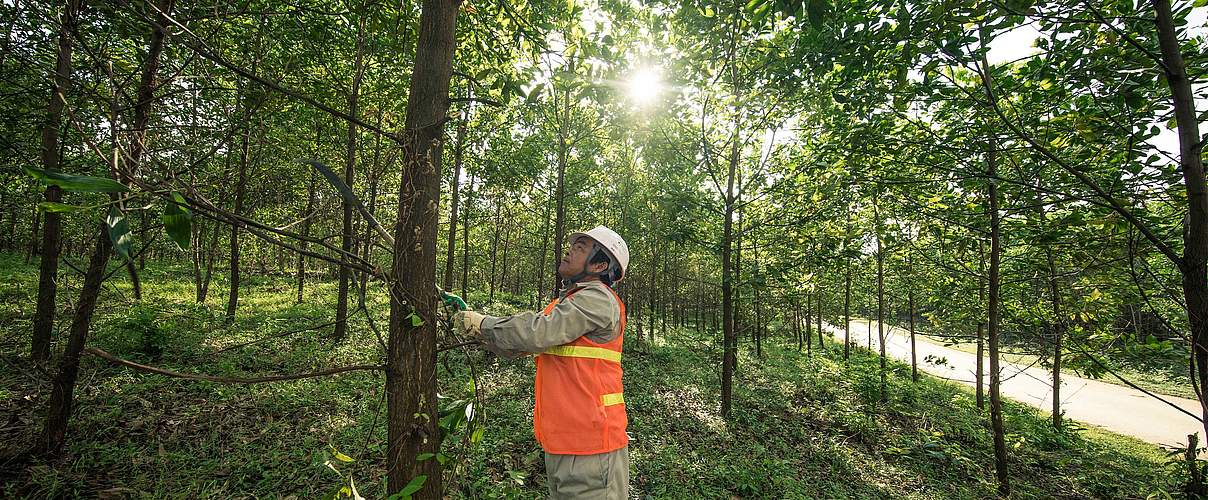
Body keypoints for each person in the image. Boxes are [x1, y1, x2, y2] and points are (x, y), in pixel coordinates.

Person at [452, 225, 630, 500]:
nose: (569, 250)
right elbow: (521, 343)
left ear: (599, 264)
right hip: (564, 444)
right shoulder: (568, 304)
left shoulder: (597, 300)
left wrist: (483, 325)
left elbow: (535, 332)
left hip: (593, 449)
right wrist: (474, 325)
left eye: (581, 248)